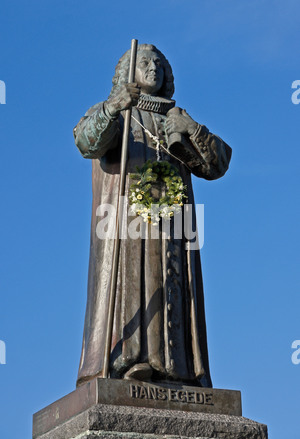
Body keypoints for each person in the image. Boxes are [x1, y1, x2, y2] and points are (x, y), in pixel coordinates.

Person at [73, 44, 231, 388]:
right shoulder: (119, 114)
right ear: (127, 72)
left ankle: (178, 368)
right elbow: (87, 143)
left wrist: (192, 128)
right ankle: (127, 359)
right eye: (143, 62)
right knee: (131, 281)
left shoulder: (175, 119)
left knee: (172, 282)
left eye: (159, 63)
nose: (153, 67)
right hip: (124, 222)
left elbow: (216, 165)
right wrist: (113, 105)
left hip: (174, 223)